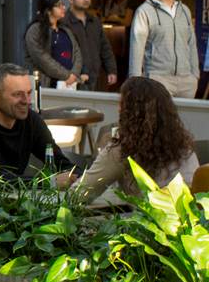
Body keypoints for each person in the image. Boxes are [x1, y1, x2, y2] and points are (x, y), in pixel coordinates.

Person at [58, 76, 200, 202]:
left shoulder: (123, 149)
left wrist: (60, 183)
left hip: (149, 227)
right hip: (192, 227)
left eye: (121, 104)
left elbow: (79, 194)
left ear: (127, 111)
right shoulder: (184, 147)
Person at [128, 0, 200, 99]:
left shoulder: (184, 10)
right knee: (160, 119)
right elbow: (137, 47)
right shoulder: (145, 11)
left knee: (186, 120)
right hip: (158, 79)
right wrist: (135, 82)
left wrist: (194, 75)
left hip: (186, 81)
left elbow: (191, 44)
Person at [24, 0, 83, 89]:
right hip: (46, 83)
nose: (63, 7)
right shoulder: (35, 30)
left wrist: (74, 74)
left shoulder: (66, 30)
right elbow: (42, 58)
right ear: (48, 10)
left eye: (63, 4)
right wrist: (66, 75)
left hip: (70, 83)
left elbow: (77, 52)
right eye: (59, 5)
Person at [66, 0, 117, 92]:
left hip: (96, 75)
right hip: (74, 77)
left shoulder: (94, 21)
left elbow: (105, 48)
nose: (86, 0)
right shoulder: (64, 22)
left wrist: (111, 70)